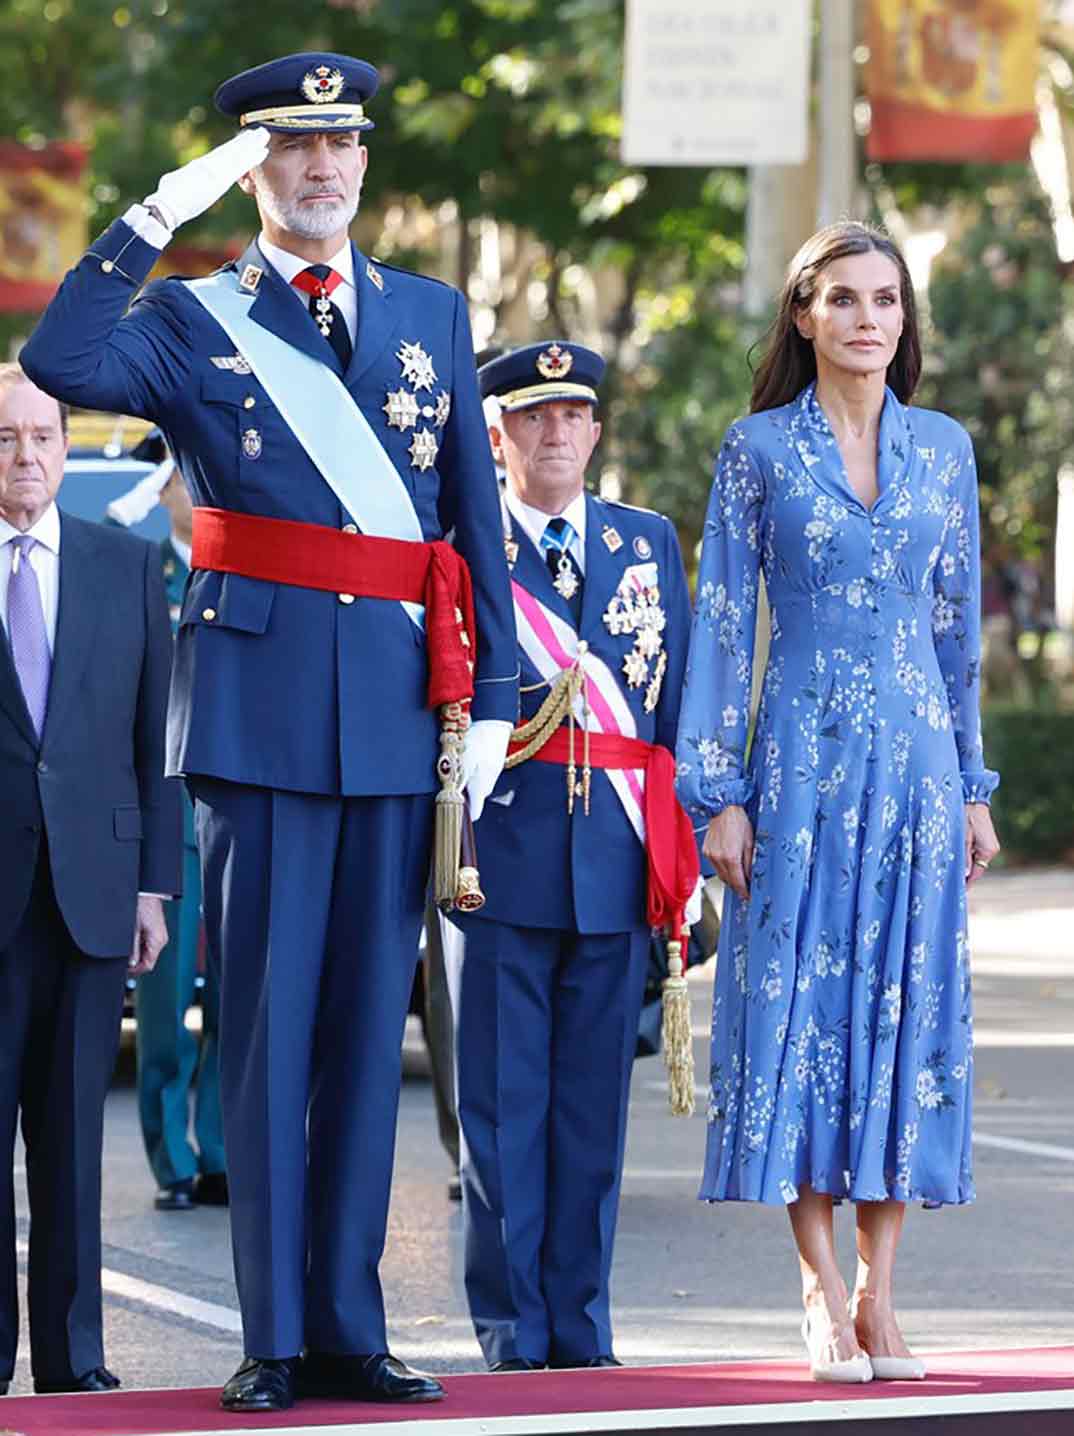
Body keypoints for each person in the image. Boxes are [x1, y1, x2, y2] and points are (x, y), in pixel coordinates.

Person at [22, 52, 518, 1413]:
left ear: (363, 162)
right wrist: (152, 214)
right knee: (265, 1034)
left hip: (395, 723)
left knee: (367, 1038)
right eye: (291, 150)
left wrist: (490, 713)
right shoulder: (194, 319)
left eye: (340, 146)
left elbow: (470, 528)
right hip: (256, 723)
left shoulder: (426, 314)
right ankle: (274, 1334)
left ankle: (351, 1327)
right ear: (257, 169)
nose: (320, 170)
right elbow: (58, 358)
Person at [675, 222, 1001, 1384]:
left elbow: (957, 633)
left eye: (887, 300)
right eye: (846, 299)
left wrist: (971, 784)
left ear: (904, 321)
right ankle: (816, 1288)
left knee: (903, 1019)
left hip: (914, 772)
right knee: (801, 1013)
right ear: (804, 315)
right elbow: (721, 625)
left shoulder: (945, 450)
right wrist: (714, 791)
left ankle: (882, 1297)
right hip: (799, 769)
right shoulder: (756, 450)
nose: (870, 318)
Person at [450, 342, 696, 1371]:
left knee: (592, 1118)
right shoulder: (462, 544)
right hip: (500, 852)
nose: (557, 433)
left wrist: (686, 844)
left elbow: (674, 701)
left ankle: (582, 1328)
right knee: (505, 1116)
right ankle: (514, 1331)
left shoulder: (646, 543)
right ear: (498, 434)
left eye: (575, 415)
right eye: (533, 417)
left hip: (616, 853)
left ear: (596, 430)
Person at [0, 364, 179, 1395]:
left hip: (95, 893)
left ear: (66, 451)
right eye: (7, 438)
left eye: (42, 437)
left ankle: (75, 1361)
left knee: (71, 1144)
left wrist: (155, 884)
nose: (26, 456)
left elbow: (152, 739)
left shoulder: (125, 564)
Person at [106, 434, 227, 1212]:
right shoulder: (142, 571)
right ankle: (172, 1158)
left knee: (235, 999)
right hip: (169, 816)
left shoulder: (236, 568)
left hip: (235, 810)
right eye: (180, 471)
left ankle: (218, 1147)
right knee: (165, 1001)